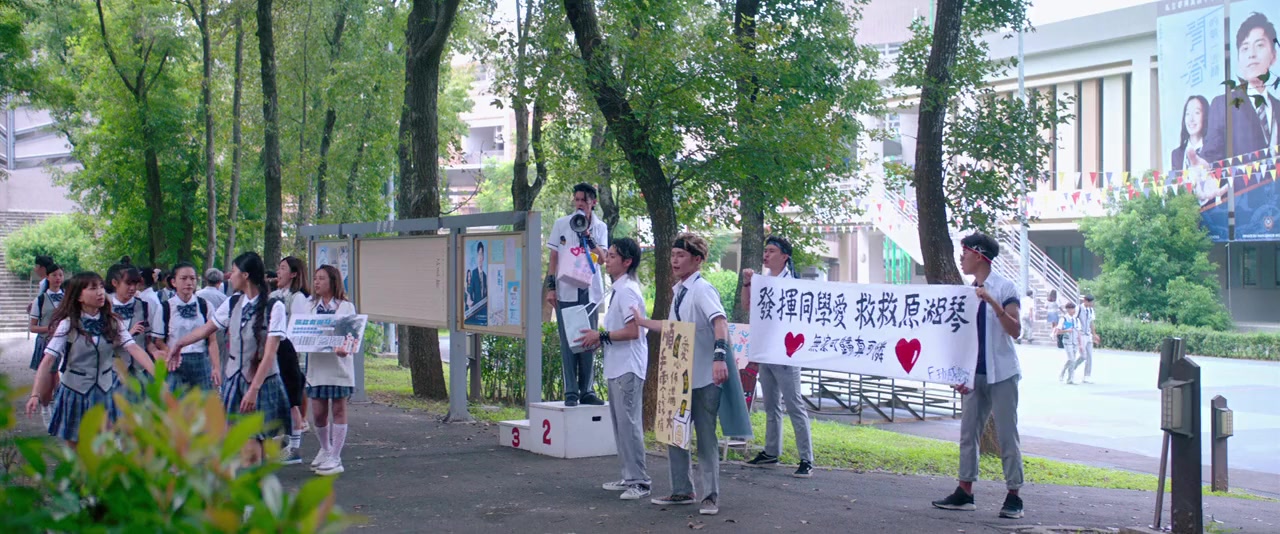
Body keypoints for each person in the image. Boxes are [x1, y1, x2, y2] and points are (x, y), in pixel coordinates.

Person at [632, 233, 732, 516]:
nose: (674, 260)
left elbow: (720, 322)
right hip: (680, 376)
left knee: (706, 436)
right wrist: (642, 322)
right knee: (674, 432)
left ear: (697, 260)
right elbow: (673, 327)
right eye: (673, 255)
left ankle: (710, 496)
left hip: (704, 376)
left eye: (681, 256)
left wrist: (719, 358)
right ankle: (682, 490)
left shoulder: (702, 290)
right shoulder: (680, 291)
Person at [932, 233, 1025, 520]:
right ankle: (965, 491)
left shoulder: (1004, 287)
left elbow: (1015, 330)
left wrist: (993, 302)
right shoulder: (966, 293)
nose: (961, 259)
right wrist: (958, 372)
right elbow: (960, 337)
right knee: (967, 434)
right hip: (973, 374)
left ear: (979, 255)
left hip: (1003, 373)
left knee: (1007, 435)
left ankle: (1014, 496)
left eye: (965, 253)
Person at [167, 252, 292, 466]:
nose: (229, 276)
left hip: (262, 383)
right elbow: (206, 329)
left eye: (233, 272)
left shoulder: (274, 306)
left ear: (245, 275)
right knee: (238, 441)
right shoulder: (233, 303)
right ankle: (250, 482)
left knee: (254, 442)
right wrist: (179, 344)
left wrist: (253, 390)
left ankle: (253, 482)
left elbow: (270, 353)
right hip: (235, 379)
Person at [25, 272, 155, 445]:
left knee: (104, 445)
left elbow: (134, 348)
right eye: (93, 288)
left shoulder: (113, 321)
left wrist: (158, 376)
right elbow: (48, 360)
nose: (100, 292)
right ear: (79, 296)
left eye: (101, 287)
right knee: (76, 447)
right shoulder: (68, 324)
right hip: (75, 390)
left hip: (105, 389)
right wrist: (35, 394)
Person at [574, 237, 651, 501]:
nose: (607, 260)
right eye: (609, 255)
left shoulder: (628, 290)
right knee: (621, 425)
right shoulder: (619, 289)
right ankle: (630, 476)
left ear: (627, 261)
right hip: (618, 365)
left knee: (629, 425)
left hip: (628, 366)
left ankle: (640, 481)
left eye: (613, 256)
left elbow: (633, 331)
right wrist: (600, 339)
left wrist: (601, 336)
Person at [740, 235, 814, 478]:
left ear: (785, 256)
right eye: (766, 250)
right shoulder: (762, 281)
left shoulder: (793, 284)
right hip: (766, 351)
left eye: (772, 251)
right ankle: (771, 451)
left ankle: (806, 458)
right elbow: (747, 307)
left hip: (786, 354)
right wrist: (747, 283)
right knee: (771, 405)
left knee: (794, 405)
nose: (766, 255)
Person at [544, 183, 609, 406]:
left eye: (584, 200)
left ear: (593, 202)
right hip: (566, 289)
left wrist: (587, 236)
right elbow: (554, 258)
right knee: (568, 341)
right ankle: (570, 391)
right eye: (577, 199)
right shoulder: (562, 224)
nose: (580, 204)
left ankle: (587, 390)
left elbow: (603, 259)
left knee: (589, 339)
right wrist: (551, 287)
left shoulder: (600, 227)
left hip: (590, 291)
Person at [1201, 13, 1280, 164]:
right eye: (1245, 48)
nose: (1251, 54)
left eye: (1259, 45)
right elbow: (1211, 155)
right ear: (1239, 60)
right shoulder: (1224, 105)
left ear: (1274, 55)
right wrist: (1203, 167)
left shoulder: (1278, 107)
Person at [302, 265, 358, 476]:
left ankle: (336, 456)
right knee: (318, 412)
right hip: (317, 366)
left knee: (338, 409)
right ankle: (325, 449)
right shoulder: (309, 306)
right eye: (315, 278)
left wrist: (345, 348)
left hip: (339, 367)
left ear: (333, 281)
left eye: (321, 278)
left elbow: (351, 336)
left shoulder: (346, 307)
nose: (316, 282)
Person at [149, 262, 221, 392]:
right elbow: (158, 340)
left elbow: (212, 340)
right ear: (173, 282)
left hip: (201, 360)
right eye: (183, 278)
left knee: (203, 402)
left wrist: (216, 367)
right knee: (176, 402)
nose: (189, 283)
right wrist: (170, 353)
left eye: (192, 278)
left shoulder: (205, 306)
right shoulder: (165, 308)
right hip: (175, 362)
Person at [271, 256, 311, 466]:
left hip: (290, 356)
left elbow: (298, 330)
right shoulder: (275, 295)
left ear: (294, 274)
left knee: (292, 400)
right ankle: (281, 444)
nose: (278, 272)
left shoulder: (298, 298)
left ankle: (294, 447)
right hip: (275, 355)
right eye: (278, 268)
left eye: (283, 268)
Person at [27, 263, 65, 428]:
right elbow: (33, 327)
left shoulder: (69, 298)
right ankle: (45, 410)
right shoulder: (40, 300)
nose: (58, 278)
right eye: (54, 275)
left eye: (60, 275)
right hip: (46, 342)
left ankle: (59, 413)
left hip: (67, 343)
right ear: (47, 277)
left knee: (61, 379)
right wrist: (50, 329)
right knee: (48, 380)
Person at [105, 262, 153, 385]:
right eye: (128, 283)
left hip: (139, 372)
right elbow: (102, 344)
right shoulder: (104, 308)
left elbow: (147, 340)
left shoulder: (144, 306)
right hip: (113, 371)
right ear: (115, 283)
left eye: (135, 284)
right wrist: (128, 334)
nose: (132, 288)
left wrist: (156, 351)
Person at [1172, 95, 1212, 172]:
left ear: (1205, 116)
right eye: (1187, 113)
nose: (1191, 119)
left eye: (1197, 113)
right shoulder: (1176, 154)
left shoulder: (1213, 151)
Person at [1053, 302, 1083, 385]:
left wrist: (1080, 344)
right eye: (1072, 309)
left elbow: (1079, 333)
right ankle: (1065, 374)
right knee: (1071, 359)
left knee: (1072, 360)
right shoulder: (1064, 319)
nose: (1074, 311)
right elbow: (1058, 332)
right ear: (1068, 310)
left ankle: (1069, 377)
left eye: (1074, 309)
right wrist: (1066, 330)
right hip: (1067, 342)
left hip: (1075, 343)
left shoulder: (1076, 320)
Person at [465, 241, 488, 324]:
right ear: (477, 256)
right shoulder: (474, 273)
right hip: (475, 309)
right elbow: (471, 291)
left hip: (483, 310)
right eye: (479, 254)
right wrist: (469, 301)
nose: (480, 257)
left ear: (484, 257)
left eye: (482, 254)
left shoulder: (485, 275)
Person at [1078, 296, 1099, 384]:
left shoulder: (1091, 310)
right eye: (1089, 302)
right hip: (1081, 334)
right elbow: (1074, 320)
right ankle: (1072, 367)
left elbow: (1091, 322)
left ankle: (1087, 376)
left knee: (1089, 356)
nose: (1091, 304)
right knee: (1083, 356)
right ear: (1085, 301)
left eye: (1092, 302)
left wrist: (1094, 334)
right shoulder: (1078, 309)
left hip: (1088, 334)